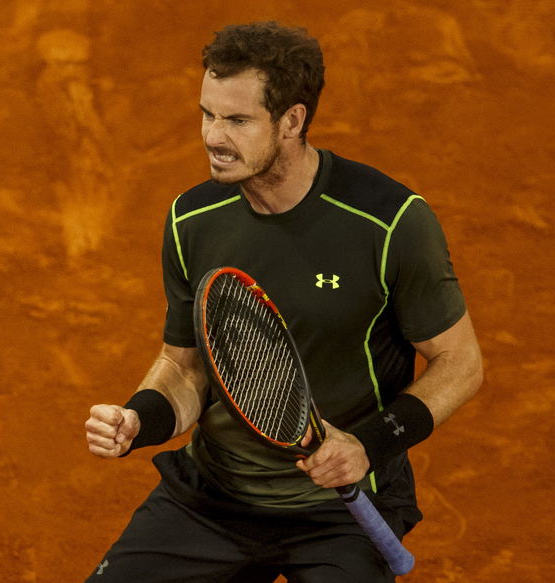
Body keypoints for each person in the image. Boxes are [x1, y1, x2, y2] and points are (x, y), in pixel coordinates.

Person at [84, 21, 482, 583]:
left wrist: (367, 446)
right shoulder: (192, 220)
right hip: (214, 499)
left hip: (340, 510)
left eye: (237, 120)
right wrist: (137, 418)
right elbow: (185, 366)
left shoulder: (388, 223)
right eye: (208, 113)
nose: (213, 137)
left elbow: (461, 363)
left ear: (292, 120)